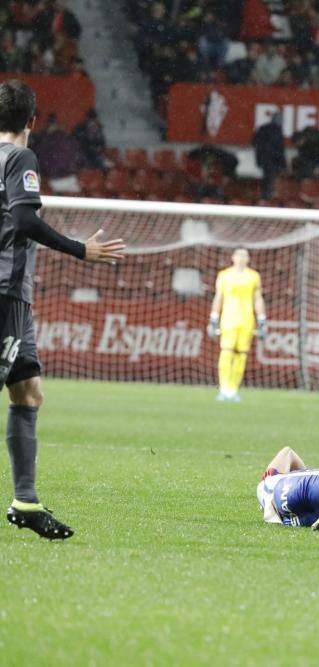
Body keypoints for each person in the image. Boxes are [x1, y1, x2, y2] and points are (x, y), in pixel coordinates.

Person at [1, 79, 126, 540]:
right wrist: (81, 250)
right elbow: (25, 219)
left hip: (15, 296)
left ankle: (26, 500)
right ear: (33, 121)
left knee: (28, 392)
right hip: (5, 293)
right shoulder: (20, 158)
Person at [207, 248, 267, 402]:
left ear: (248, 258)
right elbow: (218, 297)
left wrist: (261, 319)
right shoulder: (224, 275)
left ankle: (233, 389)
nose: (241, 258)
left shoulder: (254, 276)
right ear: (233, 257)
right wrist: (214, 318)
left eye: (244, 255)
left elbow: (258, 298)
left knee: (241, 355)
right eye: (238, 255)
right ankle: (224, 388)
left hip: (247, 320)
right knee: (226, 352)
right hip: (228, 319)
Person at [251, 111, 286, 200]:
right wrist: (282, 163)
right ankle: (268, 197)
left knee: (267, 179)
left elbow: (254, 142)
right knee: (270, 180)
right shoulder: (277, 130)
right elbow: (279, 149)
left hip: (264, 160)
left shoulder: (263, 128)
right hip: (272, 161)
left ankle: (266, 197)